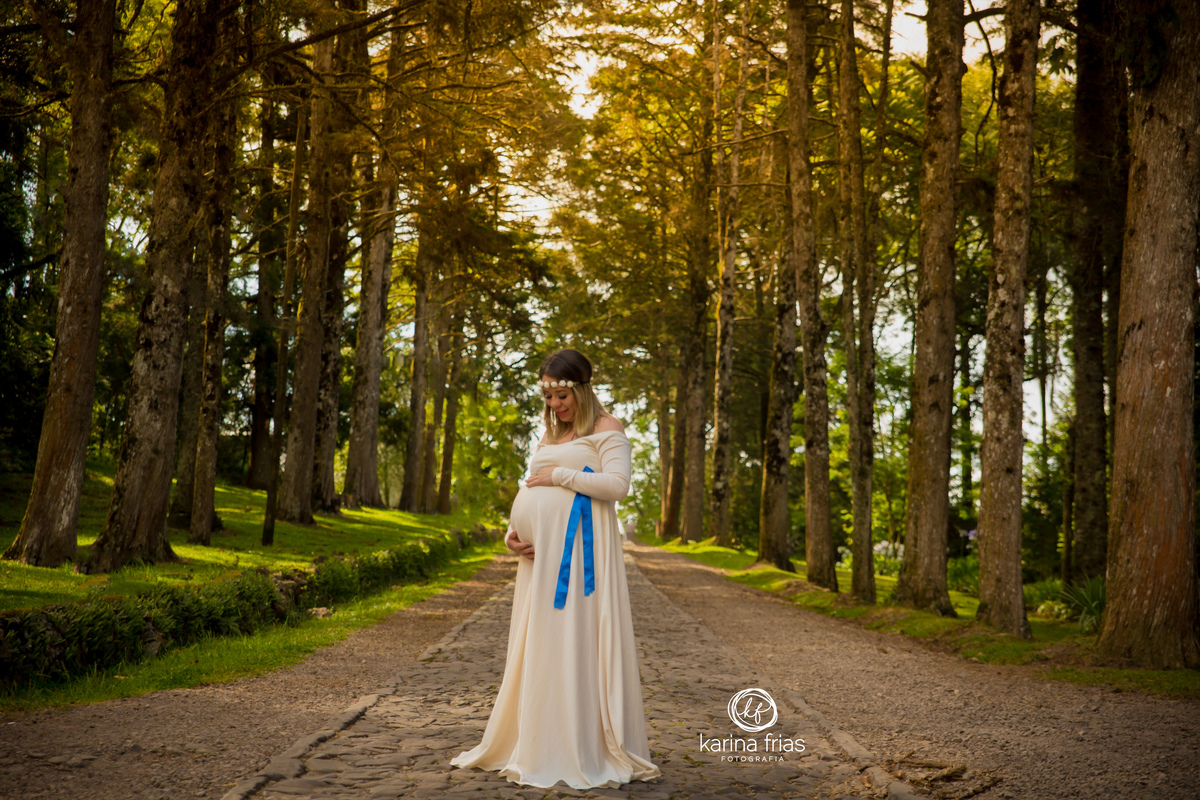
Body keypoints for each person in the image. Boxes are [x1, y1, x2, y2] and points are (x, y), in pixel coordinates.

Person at [450, 349, 661, 790]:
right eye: (549, 398)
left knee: (573, 639)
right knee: (541, 640)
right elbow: (531, 484)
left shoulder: (607, 429)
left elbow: (617, 486)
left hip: (581, 558)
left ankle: (576, 742)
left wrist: (562, 478)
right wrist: (512, 531)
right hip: (538, 561)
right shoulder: (550, 436)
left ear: (582, 390)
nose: (555, 406)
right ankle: (538, 739)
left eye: (562, 396)